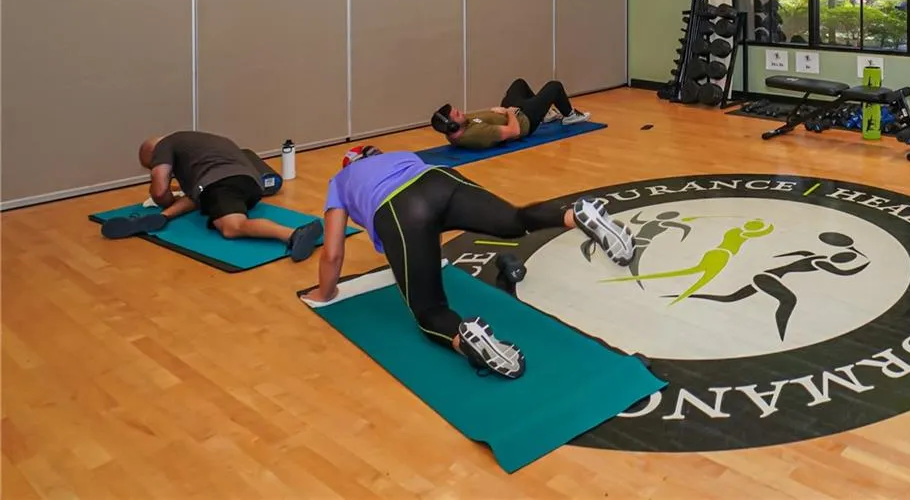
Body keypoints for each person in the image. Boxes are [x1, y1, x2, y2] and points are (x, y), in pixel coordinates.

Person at [303, 144, 636, 379]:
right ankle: (573, 214)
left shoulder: (340, 181)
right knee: (514, 220)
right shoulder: (400, 155)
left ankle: (466, 339)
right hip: (440, 180)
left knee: (429, 311)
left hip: (399, 208)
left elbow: (333, 253)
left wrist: (324, 293)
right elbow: (429, 212)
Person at [101, 131, 322, 261]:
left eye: (152, 164)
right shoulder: (201, 144)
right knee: (206, 199)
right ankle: (162, 218)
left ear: (154, 153)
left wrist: (163, 199)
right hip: (251, 184)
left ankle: (294, 234)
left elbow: (159, 191)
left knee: (232, 227)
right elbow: (197, 196)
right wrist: (165, 214)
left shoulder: (164, 146)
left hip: (222, 183)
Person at [431, 78, 589, 151]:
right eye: (457, 114)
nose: (462, 113)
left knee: (519, 84)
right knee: (554, 86)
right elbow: (515, 131)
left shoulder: (455, 130)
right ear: (452, 125)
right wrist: (509, 112)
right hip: (524, 120)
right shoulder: (477, 134)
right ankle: (570, 116)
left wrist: (502, 110)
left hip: (511, 111)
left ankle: (544, 114)